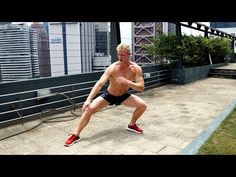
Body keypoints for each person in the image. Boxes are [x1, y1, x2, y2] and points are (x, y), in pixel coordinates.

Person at [64, 43, 147, 147]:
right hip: (109, 95)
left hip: (123, 96)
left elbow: (141, 88)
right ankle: (76, 135)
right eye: (118, 54)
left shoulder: (136, 68)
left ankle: (132, 125)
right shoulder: (112, 68)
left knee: (143, 106)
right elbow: (99, 84)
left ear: (129, 54)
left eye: (123, 55)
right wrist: (88, 100)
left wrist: (127, 82)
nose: (120, 57)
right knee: (88, 109)